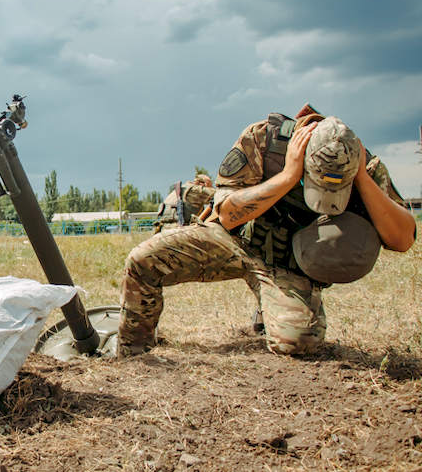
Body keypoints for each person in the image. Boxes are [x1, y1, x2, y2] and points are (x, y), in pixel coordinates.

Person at [117, 105, 416, 357]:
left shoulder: (364, 165)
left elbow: (402, 239)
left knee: (299, 343)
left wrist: (362, 177)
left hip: (288, 266)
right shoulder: (263, 140)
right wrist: (288, 176)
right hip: (235, 242)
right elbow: (228, 214)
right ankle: (134, 354)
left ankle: (268, 308)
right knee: (144, 260)